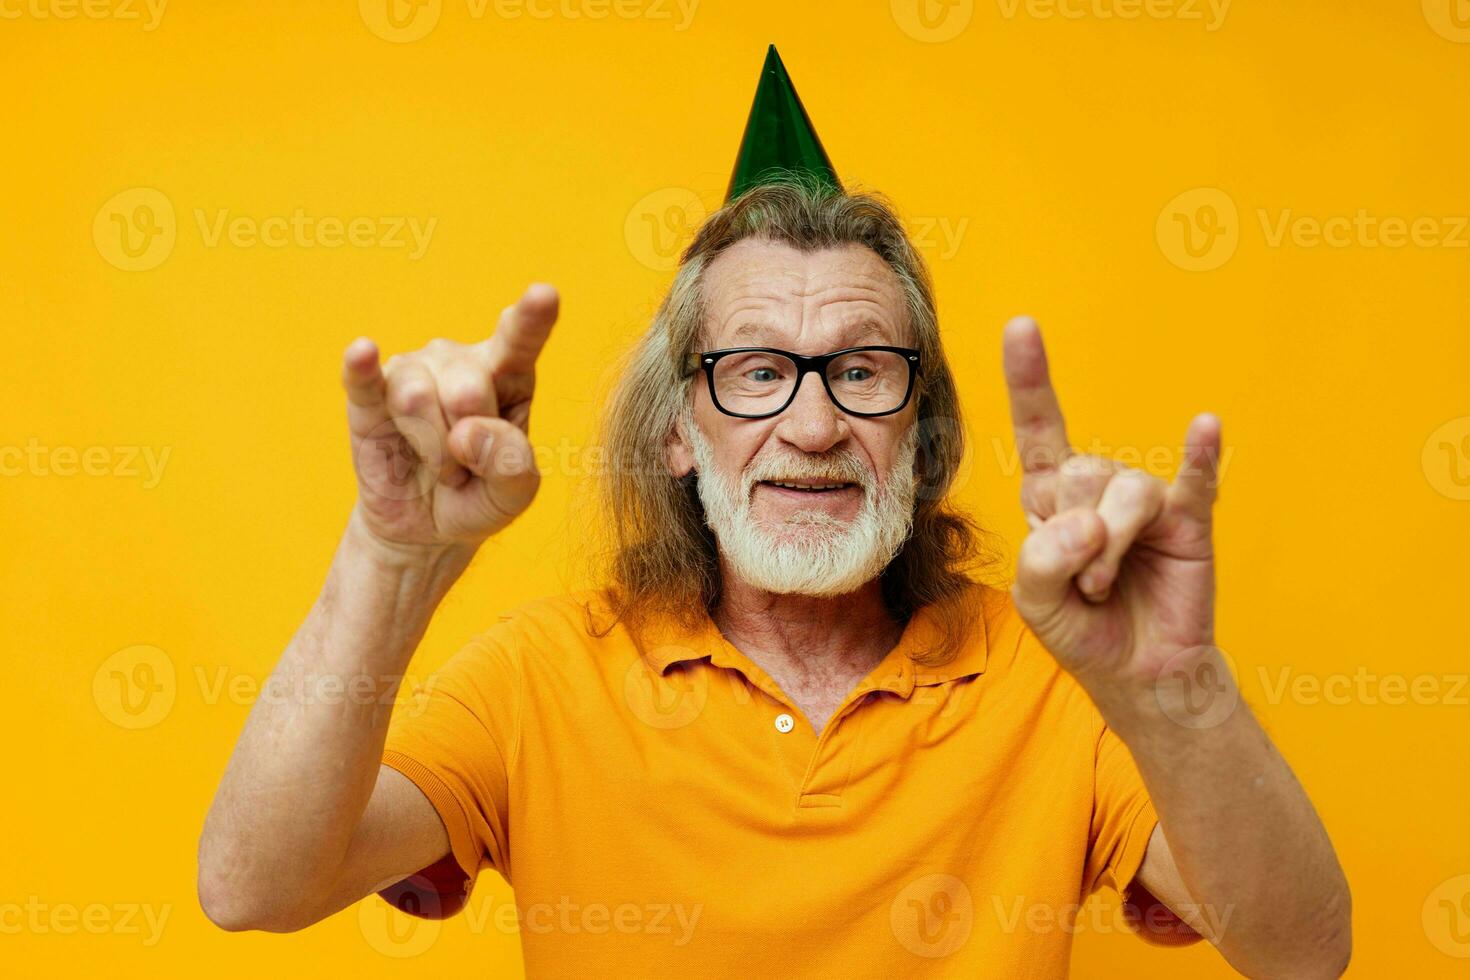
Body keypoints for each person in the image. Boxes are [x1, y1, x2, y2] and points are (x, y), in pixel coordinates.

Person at [197, 48, 1350, 978]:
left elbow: (1304, 951)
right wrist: (393, 555)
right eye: (756, 370)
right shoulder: (540, 678)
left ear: (924, 428)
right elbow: (256, 884)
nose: (810, 425)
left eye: (861, 371)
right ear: (676, 430)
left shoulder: (1056, 680)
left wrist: (1177, 696)